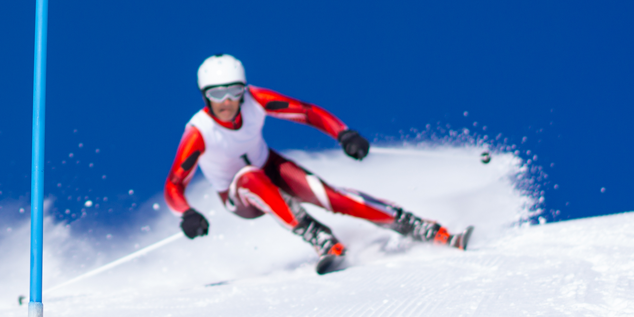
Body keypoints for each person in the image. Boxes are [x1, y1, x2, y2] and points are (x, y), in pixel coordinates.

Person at [164, 54, 470, 274]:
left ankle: (423, 228)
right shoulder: (199, 132)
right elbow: (174, 186)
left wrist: (344, 134)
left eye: (235, 91)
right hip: (239, 195)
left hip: (270, 166)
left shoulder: (256, 101)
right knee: (249, 177)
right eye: (218, 93)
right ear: (205, 97)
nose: (228, 101)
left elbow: (307, 112)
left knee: (330, 195)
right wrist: (187, 214)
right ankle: (319, 236)